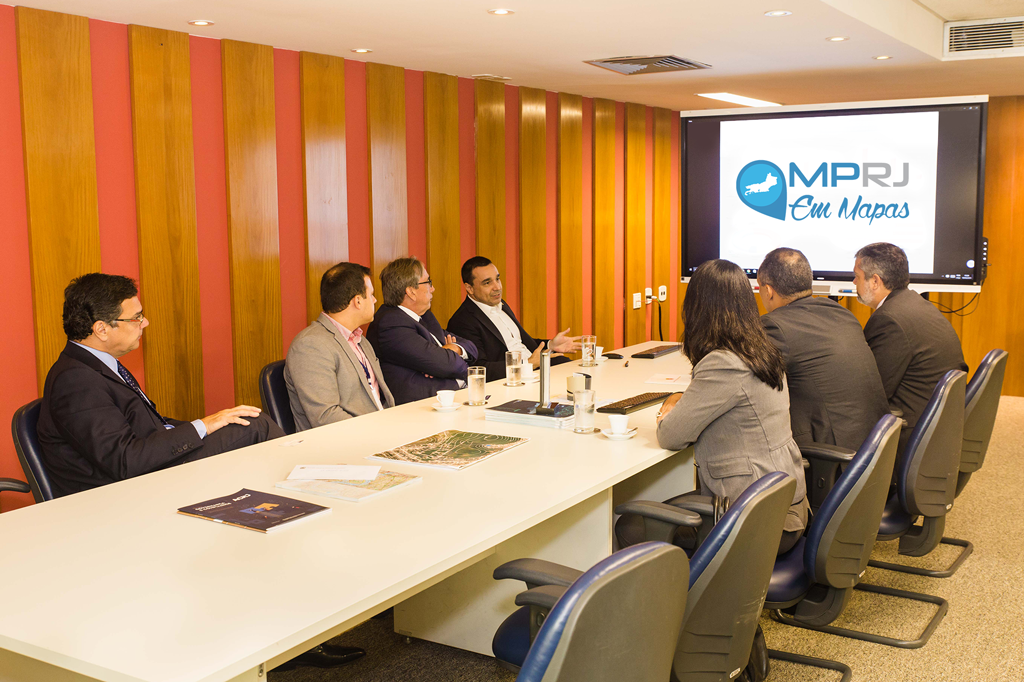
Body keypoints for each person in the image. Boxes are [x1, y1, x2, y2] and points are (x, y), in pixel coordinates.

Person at [37, 273, 284, 498]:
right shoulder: (75, 380)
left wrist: (209, 427)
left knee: (242, 422)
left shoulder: (97, 366)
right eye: (136, 318)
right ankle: (297, 493)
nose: (145, 323)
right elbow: (124, 461)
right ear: (101, 329)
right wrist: (202, 426)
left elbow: (148, 426)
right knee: (254, 426)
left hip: (152, 468)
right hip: (125, 493)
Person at [655, 259, 808, 554]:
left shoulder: (723, 362)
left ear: (697, 307)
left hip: (755, 523)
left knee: (630, 526)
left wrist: (666, 411)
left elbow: (670, 436)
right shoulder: (762, 351)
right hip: (787, 508)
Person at [758, 247, 889, 451]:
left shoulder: (775, 325)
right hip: (875, 447)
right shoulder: (841, 313)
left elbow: (748, 385)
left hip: (833, 457)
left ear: (768, 291)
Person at [853, 242, 968, 453]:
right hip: (937, 428)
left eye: (857, 277)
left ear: (875, 281)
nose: (854, 282)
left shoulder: (889, 319)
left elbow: (873, 392)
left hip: (911, 437)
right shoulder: (916, 304)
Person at [285, 262, 395, 430]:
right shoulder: (310, 345)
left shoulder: (360, 340)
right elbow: (325, 416)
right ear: (358, 301)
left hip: (382, 431)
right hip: (347, 440)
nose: (375, 300)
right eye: (371, 294)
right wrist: (378, 430)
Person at [366, 257, 479, 405]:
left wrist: (455, 349)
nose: (432, 289)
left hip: (448, 399)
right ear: (411, 292)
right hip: (420, 407)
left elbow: (472, 347)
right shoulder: (390, 323)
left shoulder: (424, 316)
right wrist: (447, 361)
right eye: (428, 282)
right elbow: (446, 365)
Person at [446, 256, 581, 380]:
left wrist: (550, 345)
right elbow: (479, 369)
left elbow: (520, 343)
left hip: (536, 368)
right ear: (469, 288)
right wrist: (527, 364)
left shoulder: (502, 304)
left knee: (579, 373)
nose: (497, 287)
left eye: (497, 279)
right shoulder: (462, 321)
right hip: (513, 379)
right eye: (487, 283)